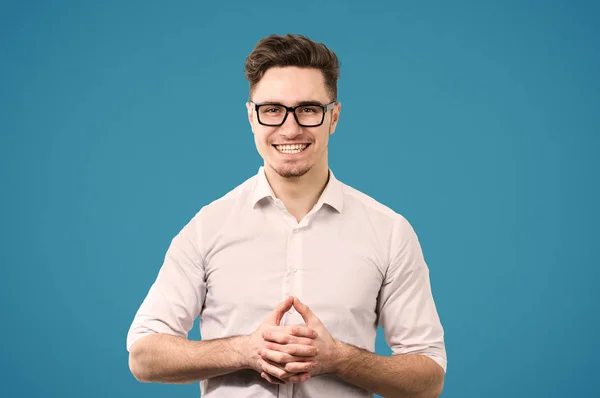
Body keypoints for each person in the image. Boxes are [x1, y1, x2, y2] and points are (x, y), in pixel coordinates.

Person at [126, 33, 447, 398]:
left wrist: (340, 358)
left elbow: (428, 376)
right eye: (272, 109)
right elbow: (144, 356)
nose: (290, 128)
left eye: (308, 109)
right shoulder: (206, 228)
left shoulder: (389, 232)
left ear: (334, 117)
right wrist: (245, 350)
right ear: (251, 117)